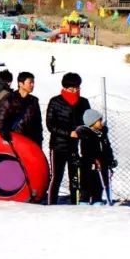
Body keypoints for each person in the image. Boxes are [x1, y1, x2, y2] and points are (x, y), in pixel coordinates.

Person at [45, 72, 91, 205]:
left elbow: (88, 122)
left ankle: (74, 205)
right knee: (56, 177)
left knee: (75, 178)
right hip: (58, 146)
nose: (75, 91)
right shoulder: (55, 101)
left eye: (77, 88)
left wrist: (81, 132)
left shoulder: (83, 102)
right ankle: (51, 204)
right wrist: (68, 133)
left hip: (75, 147)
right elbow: (50, 125)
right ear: (65, 88)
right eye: (72, 89)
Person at [77, 109, 115, 205]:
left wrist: (110, 159)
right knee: (87, 182)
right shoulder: (87, 134)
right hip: (89, 164)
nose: (101, 123)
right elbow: (86, 150)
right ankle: (84, 200)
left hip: (102, 163)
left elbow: (107, 148)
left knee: (99, 183)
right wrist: (92, 159)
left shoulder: (102, 134)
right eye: (99, 121)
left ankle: (97, 199)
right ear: (92, 122)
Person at [1, 71, 43, 147]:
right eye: (30, 82)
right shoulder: (9, 99)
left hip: (31, 141)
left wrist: (39, 142)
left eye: (33, 82)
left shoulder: (34, 101)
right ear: (20, 83)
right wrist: (6, 136)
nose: (32, 85)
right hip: (14, 141)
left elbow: (38, 124)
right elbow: (1, 121)